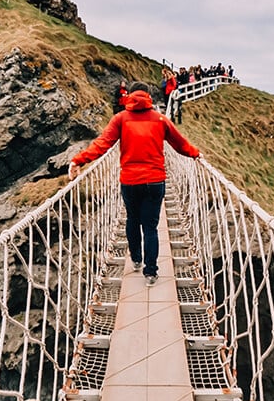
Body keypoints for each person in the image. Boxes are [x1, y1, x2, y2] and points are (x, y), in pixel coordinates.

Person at [69, 82, 200, 286]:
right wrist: (196, 154)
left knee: (132, 219)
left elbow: (102, 144)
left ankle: (137, 259)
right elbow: (180, 143)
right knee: (150, 227)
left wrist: (78, 160)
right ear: (148, 96)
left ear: (129, 95)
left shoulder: (120, 119)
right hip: (155, 181)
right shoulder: (160, 119)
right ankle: (150, 272)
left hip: (129, 181)